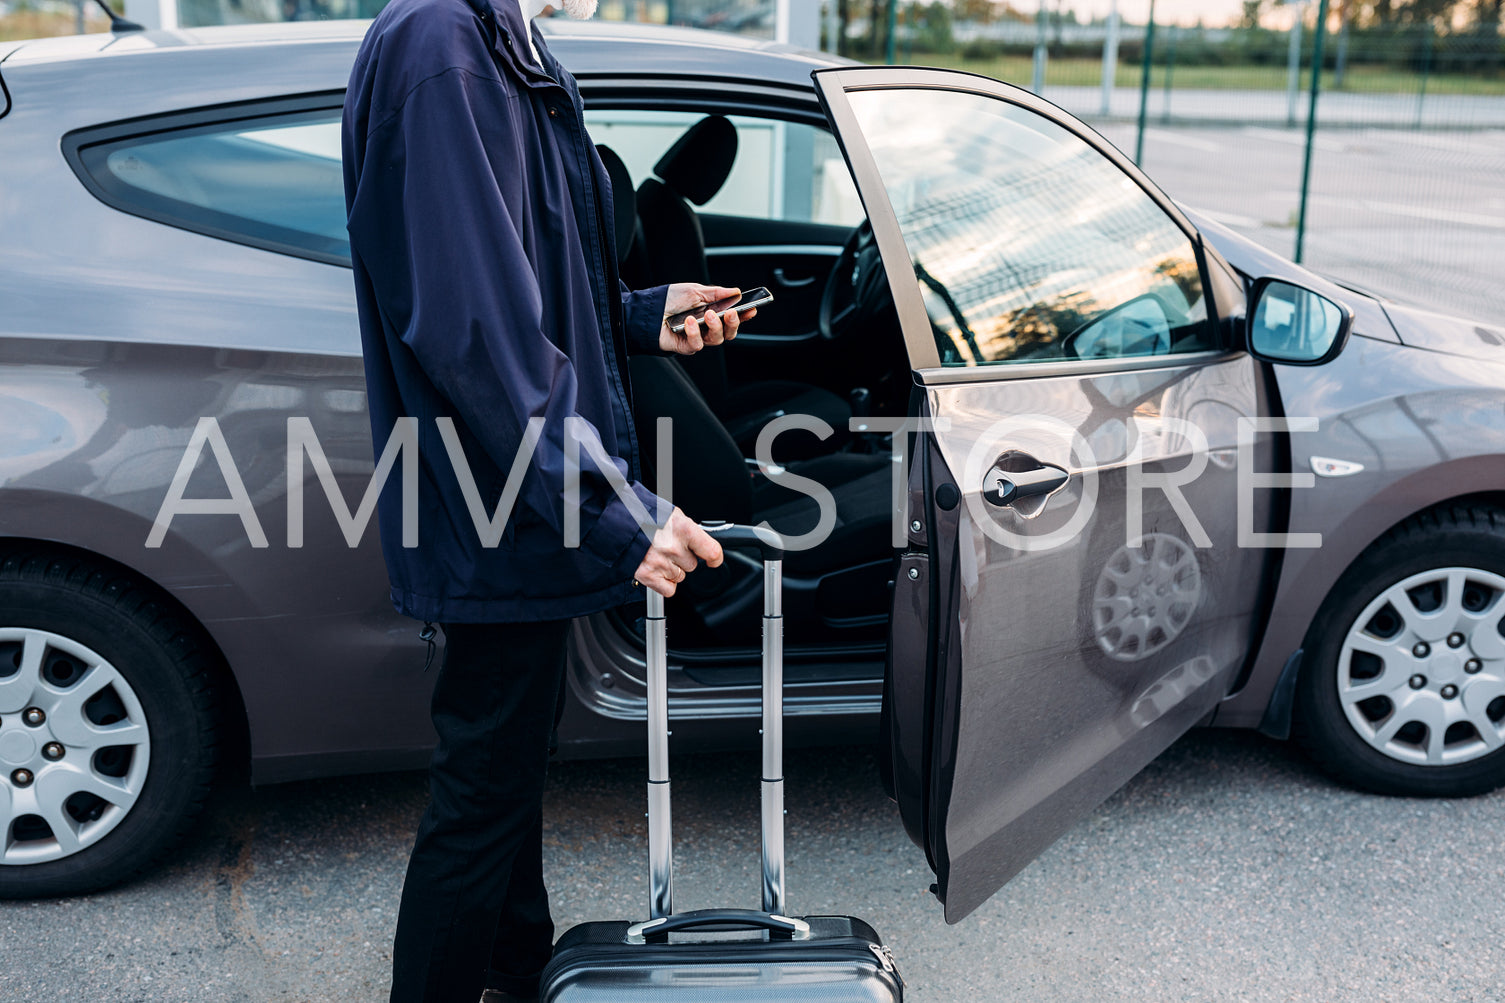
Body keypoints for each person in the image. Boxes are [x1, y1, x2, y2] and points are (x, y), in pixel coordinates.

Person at [341, 0, 757, 999]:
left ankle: (515, 971)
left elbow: (518, 278)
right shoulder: (443, 45)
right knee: (483, 788)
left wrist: (640, 316)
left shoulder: (496, 38)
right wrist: (615, 511)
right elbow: (473, 328)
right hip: (502, 492)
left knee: (504, 764)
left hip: (518, 488)